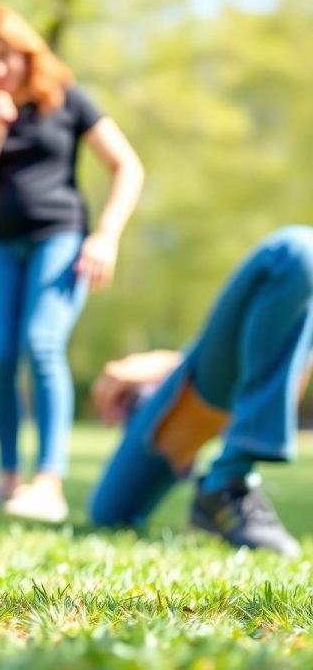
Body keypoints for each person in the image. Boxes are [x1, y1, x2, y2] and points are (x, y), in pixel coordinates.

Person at [0, 3, 144, 522]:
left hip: (61, 239)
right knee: (2, 356)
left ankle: (49, 483)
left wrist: (106, 236)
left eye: (3, 56)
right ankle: (9, 478)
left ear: (26, 50)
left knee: (42, 343)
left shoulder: (68, 101)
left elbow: (127, 165)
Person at [89, 225, 313, 556]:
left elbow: (284, 374)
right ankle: (148, 405)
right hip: (198, 394)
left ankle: (227, 481)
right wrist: (167, 365)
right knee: (110, 514)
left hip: (226, 405)